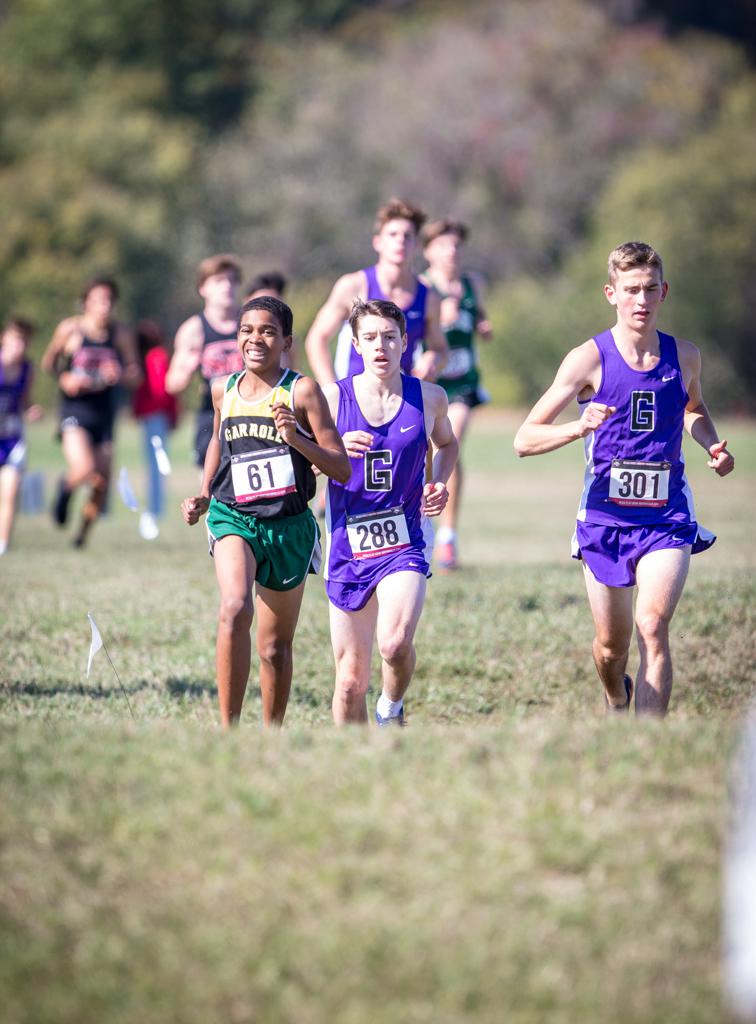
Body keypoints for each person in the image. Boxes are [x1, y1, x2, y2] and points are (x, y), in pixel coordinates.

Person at [513, 241, 734, 716]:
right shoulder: (587, 360)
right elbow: (524, 439)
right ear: (611, 293)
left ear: (664, 292)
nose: (641, 300)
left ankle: (646, 742)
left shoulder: (686, 357)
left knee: (652, 626)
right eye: (631, 289)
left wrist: (711, 444)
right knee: (611, 650)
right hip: (604, 520)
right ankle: (617, 696)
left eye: (650, 289)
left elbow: (693, 409)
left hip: (666, 515)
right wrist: (579, 425)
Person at [181, 296, 350, 727]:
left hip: (289, 526)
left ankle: (271, 735)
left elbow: (341, 467)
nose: (256, 338)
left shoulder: (302, 391)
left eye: (268, 331)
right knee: (235, 607)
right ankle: (229, 731)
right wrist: (203, 493)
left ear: (287, 341)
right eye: (247, 330)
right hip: (233, 515)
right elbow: (218, 439)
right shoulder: (225, 388)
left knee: (275, 649)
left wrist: (296, 438)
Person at [323, 298, 458, 726]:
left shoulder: (430, 397)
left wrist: (438, 482)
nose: (380, 346)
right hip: (347, 544)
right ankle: (357, 771)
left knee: (395, 644)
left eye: (389, 337)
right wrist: (333, 452)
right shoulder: (331, 398)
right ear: (356, 345)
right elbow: (304, 462)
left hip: (405, 539)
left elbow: (448, 444)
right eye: (370, 338)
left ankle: (390, 708)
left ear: (404, 343)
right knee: (349, 682)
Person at [304, 198, 448, 387]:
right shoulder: (354, 286)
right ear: (377, 242)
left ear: (417, 245)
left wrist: (432, 361)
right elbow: (316, 339)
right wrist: (332, 391)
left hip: (400, 399)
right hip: (353, 400)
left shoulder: (429, 297)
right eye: (393, 234)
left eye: (407, 236)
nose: (400, 241)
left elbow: (441, 350)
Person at [42, 277, 140, 548]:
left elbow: (135, 375)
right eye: (98, 300)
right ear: (86, 302)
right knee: (84, 468)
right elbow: (49, 362)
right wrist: (65, 379)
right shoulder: (71, 329)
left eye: (109, 300)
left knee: (101, 483)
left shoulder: (120, 334)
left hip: (104, 412)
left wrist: (120, 375)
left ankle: (82, 536)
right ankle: (64, 491)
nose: (104, 306)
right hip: (75, 409)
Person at [421, 218, 493, 571]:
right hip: (432, 384)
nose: (452, 251)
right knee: (430, 450)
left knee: (451, 443)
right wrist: (441, 322)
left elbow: (479, 318)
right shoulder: (422, 287)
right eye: (444, 245)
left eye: (456, 245)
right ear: (428, 251)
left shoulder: (472, 284)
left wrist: (483, 325)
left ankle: (448, 537)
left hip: (464, 383)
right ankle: (425, 518)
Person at [166, 253, 243, 467]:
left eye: (232, 280)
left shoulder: (250, 322)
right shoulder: (194, 330)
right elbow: (172, 383)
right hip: (212, 421)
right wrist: (189, 366)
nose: (227, 286)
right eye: (219, 281)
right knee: (210, 493)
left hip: (250, 418)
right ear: (203, 288)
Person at [132, 320, 179, 540]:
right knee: (155, 465)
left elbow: (161, 390)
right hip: (155, 417)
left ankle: (156, 510)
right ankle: (155, 509)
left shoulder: (155, 356)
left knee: (156, 465)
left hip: (155, 416)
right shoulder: (156, 356)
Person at [0, 318, 42, 554]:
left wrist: (31, 410)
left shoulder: (27, 369)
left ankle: (3, 545)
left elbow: (24, 401)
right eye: (16, 339)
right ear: (4, 338)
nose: (20, 346)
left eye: (24, 342)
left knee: (11, 490)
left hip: (12, 439)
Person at [243, 271, 298, 370]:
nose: (267, 309)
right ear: (247, 301)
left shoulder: (285, 337)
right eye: (261, 302)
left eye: (274, 303)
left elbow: (293, 367)